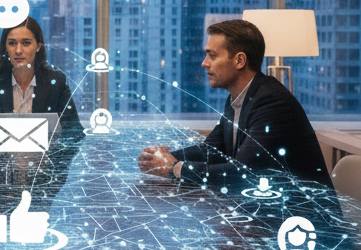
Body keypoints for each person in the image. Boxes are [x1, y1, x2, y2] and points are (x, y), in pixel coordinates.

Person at [138, 18, 330, 188]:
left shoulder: (272, 102)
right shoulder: (237, 98)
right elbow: (211, 151)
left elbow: (241, 173)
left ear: (239, 60)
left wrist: (173, 168)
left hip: (302, 220)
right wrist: (160, 158)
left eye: (212, 55)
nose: (205, 63)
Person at [0, 17, 84, 150]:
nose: (18, 50)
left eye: (26, 43)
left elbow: (75, 132)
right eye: (12, 43)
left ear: (38, 47)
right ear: (5, 47)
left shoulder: (56, 82)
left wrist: (46, 144)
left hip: (43, 166)